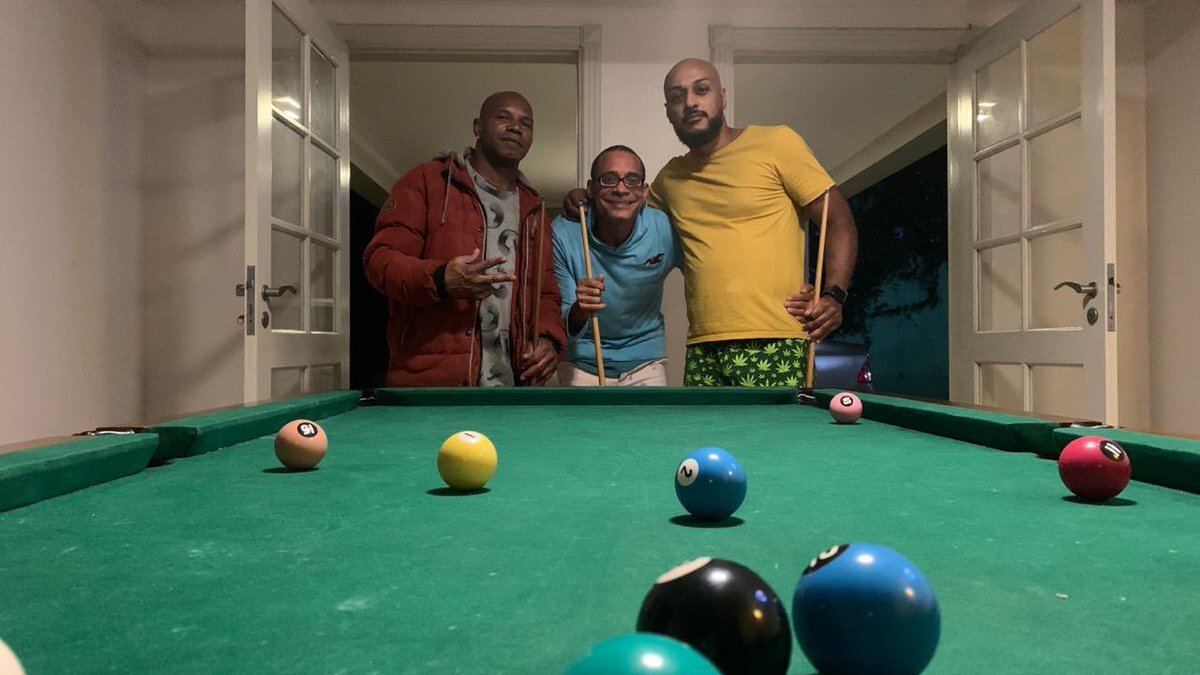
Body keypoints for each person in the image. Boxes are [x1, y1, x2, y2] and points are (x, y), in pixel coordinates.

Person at [565, 58, 858, 387]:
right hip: (702, 348)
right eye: (677, 97)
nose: (690, 102)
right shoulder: (670, 179)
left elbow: (839, 221)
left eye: (701, 90)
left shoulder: (778, 143)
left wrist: (833, 294)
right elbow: (624, 207)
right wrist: (583, 197)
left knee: (777, 425)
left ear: (722, 96)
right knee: (702, 426)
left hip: (776, 338)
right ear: (668, 112)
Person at [364, 91, 565, 387]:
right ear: (477, 127)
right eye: (503, 117)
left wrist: (548, 340)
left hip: (515, 386)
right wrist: (440, 279)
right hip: (435, 385)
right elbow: (379, 261)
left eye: (526, 123)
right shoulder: (428, 181)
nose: (515, 127)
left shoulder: (535, 207)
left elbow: (545, 292)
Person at [552, 145, 682, 386]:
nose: (621, 189)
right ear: (591, 189)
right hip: (582, 361)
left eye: (632, 180)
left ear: (644, 192)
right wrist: (581, 309)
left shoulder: (663, 229)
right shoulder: (563, 232)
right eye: (609, 179)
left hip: (646, 360)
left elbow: (703, 268)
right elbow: (563, 320)